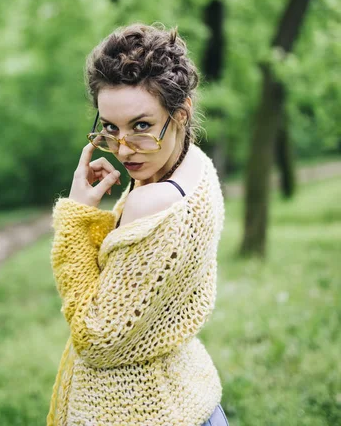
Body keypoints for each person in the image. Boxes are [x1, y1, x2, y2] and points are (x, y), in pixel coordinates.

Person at [47, 22, 229, 426]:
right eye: (110, 128)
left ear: (180, 114)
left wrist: (77, 219)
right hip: (187, 397)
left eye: (141, 126)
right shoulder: (195, 166)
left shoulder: (153, 200)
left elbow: (96, 338)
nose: (123, 149)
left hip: (147, 409)